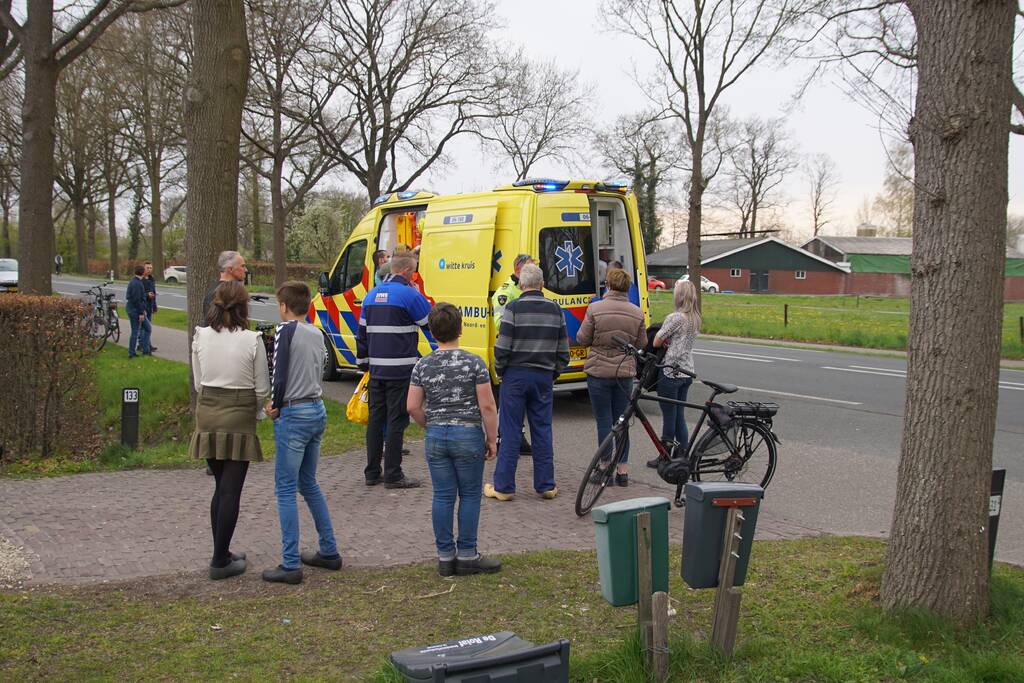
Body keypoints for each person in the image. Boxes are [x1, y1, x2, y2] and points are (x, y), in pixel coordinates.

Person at [407, 303, 501, 577]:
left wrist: (429, 424)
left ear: (432, 332)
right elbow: (487, 406)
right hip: (468, 434)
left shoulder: (423, 365)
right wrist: (492, 438)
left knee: (443, 495)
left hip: (437, 435)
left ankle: (445, 556)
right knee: (470, 494)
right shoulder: (475, 363)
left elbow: (412, 406)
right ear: (460, 328)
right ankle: (468, 554)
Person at [261, 281, 342, 585]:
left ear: (284, 306)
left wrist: (275, 404)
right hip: (316, 408)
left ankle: (290, 562)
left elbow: (278, 372)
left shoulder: (285, 330)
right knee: (308, 483)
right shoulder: (316, 333)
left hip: (293, 412)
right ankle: (329, 549)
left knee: (285, 489)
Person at [190, 281, 270, 580]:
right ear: (244, 307)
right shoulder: (252, 340)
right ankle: (219, 561)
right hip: (238, 413)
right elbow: (261, 388)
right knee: (230, 491)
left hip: (208, 412)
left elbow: (198, 382)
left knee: (220, 487)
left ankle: (221, 552)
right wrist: (256, 411)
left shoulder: (200, 336)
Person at [484, 264, 568, 501]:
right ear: (542, 285)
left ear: (521, 284)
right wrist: (552, 373)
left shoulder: (513, 308)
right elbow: (563, 351)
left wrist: (501, 371)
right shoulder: (555, 310)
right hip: (543, 376)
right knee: (542, 429)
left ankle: (504, 487)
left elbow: (502, 346)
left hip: (515, 375)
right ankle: (546, 485)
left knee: (510, 430)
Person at [356, 250, 431, 489]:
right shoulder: (409, 295)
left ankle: (371, 472)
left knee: (376, 421)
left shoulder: (370, 296)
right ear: (406, 271)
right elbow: (431, 324)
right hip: (400, 370)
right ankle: (393, 474)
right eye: (414, 271)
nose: (414, 275)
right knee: (397, 421)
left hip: (376, 370)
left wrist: (364, 365)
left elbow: (362, 335)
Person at [576, 268, 646, 486]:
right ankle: (623, 471)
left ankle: (605, 466)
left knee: (604, 422)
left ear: (608, 285)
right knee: (622, 422)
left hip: (599, 371)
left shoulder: (595, 308)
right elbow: (642, 343)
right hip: (624, 373)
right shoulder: (636, 312)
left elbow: (582, 338)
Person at [647, 279, 701, 469]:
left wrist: (665, 340)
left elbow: (656, 341)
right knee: (679, 415)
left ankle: (665, 455)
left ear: (679, 297)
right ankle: (682, 452)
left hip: (670, 371)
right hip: (687, 371)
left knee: (669, 416)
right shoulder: (695, 318)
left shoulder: (675, 318)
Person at [490, 253, 534, 455]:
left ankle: (520, 438)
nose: (533, 272)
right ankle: (501, 438)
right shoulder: (505, 293)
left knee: (522, 400)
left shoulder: (529, 289)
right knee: (507, 401)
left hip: (526, 351)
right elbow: (501, 324)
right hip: (511, 352)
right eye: (529, 268)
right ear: (518, 269)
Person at [203, 250, 248, 318]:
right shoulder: (233, 293)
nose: (246, 270)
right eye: (242, 266)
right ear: (230, 269)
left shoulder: (212, 289)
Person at [125, 264, 152, 358]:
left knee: (146, 328)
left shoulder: (134, 281)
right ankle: (132, 352)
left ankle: (145, 350)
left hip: (134, 309)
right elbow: (137, 300)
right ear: (143, 272)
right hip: (135, 310)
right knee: (136, 331)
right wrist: (141, 312)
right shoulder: (137, 284)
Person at [141, 261, 158, 352]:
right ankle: (143, 345)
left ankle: (147, 344)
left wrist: (154, 306)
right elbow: (139, 293)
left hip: (150, 304)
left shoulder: (152, 279)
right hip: (143, 305)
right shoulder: (140, 280)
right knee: (144, 326)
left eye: (151, 268)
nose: (149, 270)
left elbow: (154, 291)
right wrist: (147, 295)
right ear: (143, 269)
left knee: (148, 326)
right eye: (147, 268)